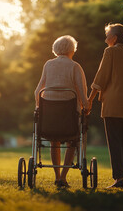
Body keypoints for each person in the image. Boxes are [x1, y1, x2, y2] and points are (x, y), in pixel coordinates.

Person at [87, 23, 123, 188]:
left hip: (114, 103)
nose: (105, 39)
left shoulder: (110, 51)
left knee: (115, 141)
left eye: (107, 36)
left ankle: (119, 179)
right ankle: (120, 177)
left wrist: (89, 100)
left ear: (115, 38)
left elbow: (101, 77)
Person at [34, 35, 90, 188]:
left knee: (54, 141)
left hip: (50, 119)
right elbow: (82, 92)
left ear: (56, 49)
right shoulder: (75, 66)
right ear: (72, 49)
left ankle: (57, 175)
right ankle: (63, 178)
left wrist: (38, 107)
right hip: (69, 118)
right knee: (73, 140)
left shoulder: (48, 65)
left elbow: (38, 91)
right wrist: (86, 107)